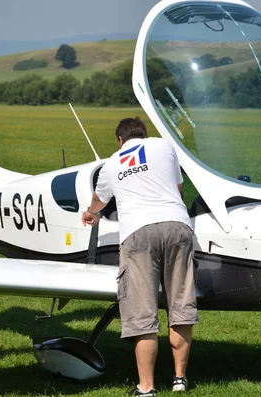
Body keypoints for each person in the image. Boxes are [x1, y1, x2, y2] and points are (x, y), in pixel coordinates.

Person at [82, 117, 198, 396]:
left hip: (138, 232)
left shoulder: (111, 164)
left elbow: (99, 201)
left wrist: (91, 212)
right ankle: (179, 379)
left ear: (119, 140)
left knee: (143, 312)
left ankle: (146, 387)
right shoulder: (164, 147)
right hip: (178, 226)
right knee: (180, 306)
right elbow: (178, 187)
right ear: (143, 135)